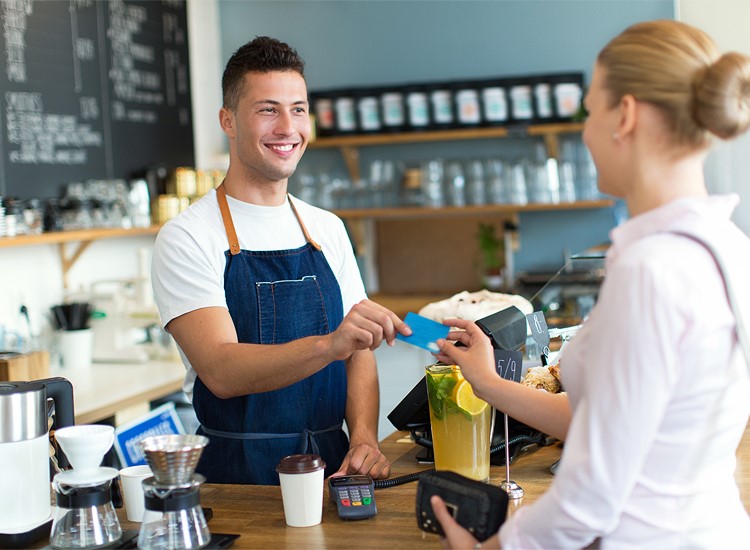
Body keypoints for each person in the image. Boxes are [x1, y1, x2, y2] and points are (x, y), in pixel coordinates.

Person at [430, 20, 750, 548]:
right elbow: (613, 417)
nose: (585, 130)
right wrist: (489, 384)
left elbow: (590, 499)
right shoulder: (728, 246)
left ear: (624, 115)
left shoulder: (650, 270)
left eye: (591, 108)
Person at [151, 36, 409, 485]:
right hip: (241, 478)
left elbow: (358, 351)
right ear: (228, 121)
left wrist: (364, 437)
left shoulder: (326, 228)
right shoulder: (188, 236)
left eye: (299, 109)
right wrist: (329, 344)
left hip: (334, 468)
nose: (288, 127)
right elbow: (221, 370)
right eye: (268, 109)